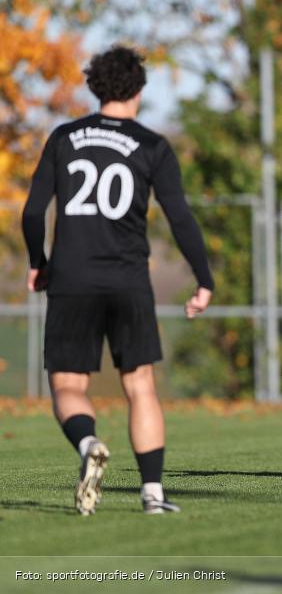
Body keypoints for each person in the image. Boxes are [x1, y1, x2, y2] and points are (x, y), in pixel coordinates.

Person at [22, 46, 215, 515]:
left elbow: (32, 212)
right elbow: (180, 218)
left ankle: (88, 444)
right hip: (128, 280)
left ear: (94, 86)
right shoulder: (152, 145)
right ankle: (153, 495)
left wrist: (38, 261)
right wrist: (203, 278)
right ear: (139, 90)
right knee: (140, 385)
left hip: (72, 279)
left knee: (68, 387)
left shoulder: (64, 137)